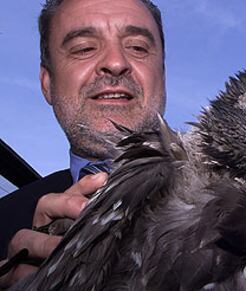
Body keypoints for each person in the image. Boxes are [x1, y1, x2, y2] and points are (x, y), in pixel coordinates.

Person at [0, 0, 166, 287]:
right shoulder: (4, 222)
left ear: (162, 76)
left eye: (138, 47)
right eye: (84, 48)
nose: (116, 63)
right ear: (47, 84)